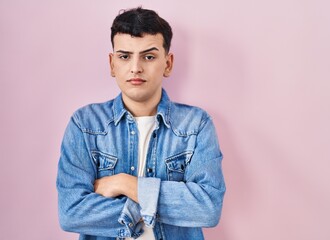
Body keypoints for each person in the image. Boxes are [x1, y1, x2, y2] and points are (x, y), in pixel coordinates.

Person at [56, 7, 226, 240]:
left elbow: (207, 208)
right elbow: (71, 212)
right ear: (112, 64)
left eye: (148, 56)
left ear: (168, 63)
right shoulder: (85, 124)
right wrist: (149, 205)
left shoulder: (196, 125)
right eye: (124, 56)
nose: (136, 67)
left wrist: (125, 184)